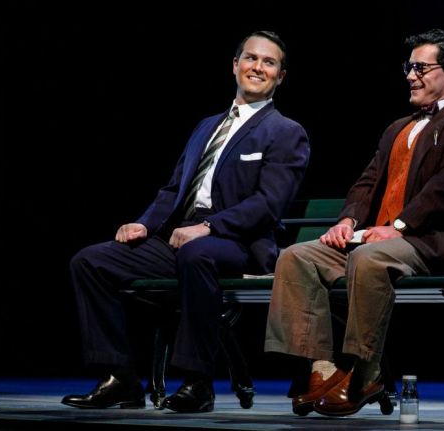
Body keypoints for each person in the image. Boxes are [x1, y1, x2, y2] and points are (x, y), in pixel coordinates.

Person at [61, 30, 310, 413]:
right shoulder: (206, 125)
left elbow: (268, 204)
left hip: (237, 242)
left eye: (269, 62)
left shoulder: (286, 132)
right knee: (91, 261)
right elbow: (174, 188)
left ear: (281, 76)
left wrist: (208, 227)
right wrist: (144, 224)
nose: (257, 67)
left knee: (197, 254)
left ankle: (198, 382)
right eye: (251, 58)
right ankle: (120, 377)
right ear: (235, 65)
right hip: (181, 237)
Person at [264, 28, 444, 417]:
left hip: (428, 242)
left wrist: (400, 226)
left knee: (369, 259)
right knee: (296, 257)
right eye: (408, 67)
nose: (411, 75)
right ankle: (319, 370)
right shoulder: (397, 127)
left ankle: (364, 371)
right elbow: (368, 182)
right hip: (375, 240)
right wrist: (347, 220)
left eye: (421, 68)